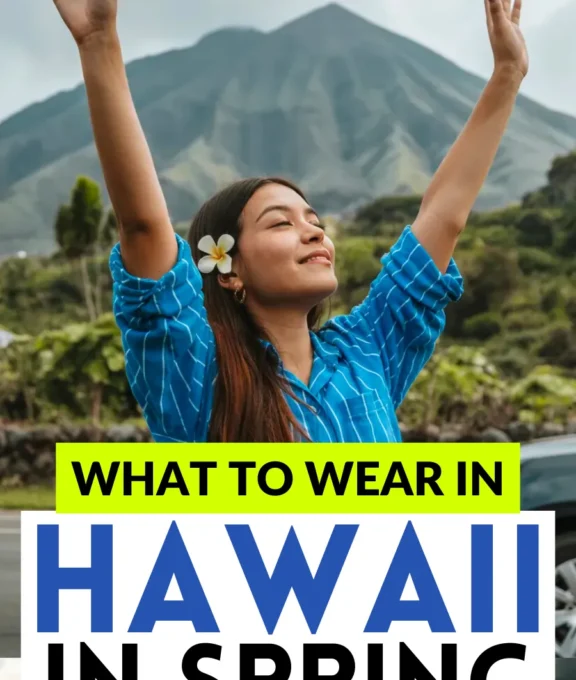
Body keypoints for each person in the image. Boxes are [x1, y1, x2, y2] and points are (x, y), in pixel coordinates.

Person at [53, 0, 528, 443]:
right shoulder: (199, 370)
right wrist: (99, 42)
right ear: (229, 267)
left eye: (314, 220)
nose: (314, 231)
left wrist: (507, 73)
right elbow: (143, 226)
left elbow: (443, 216)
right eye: (281, 224)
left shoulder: (366, 353)